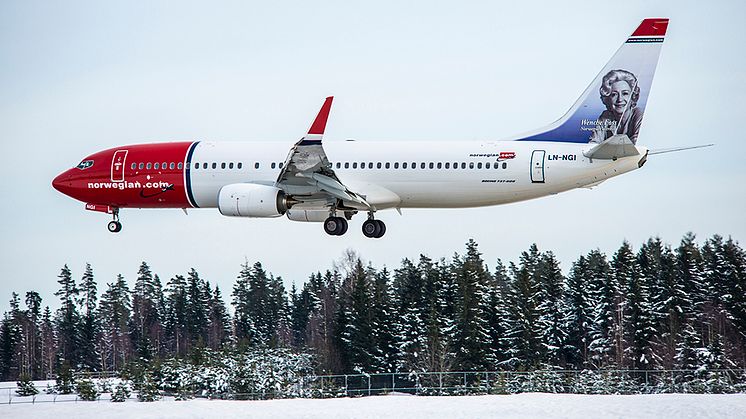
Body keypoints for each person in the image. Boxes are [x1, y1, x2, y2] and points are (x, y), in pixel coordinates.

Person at [589, 69, 644, 144]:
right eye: (614, 94)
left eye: (625, 93)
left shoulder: (639, 114)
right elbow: (593, 143)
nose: (620, 99)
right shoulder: (605, 116)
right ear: (608, 98)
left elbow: (636, 143)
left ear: (633, 96)